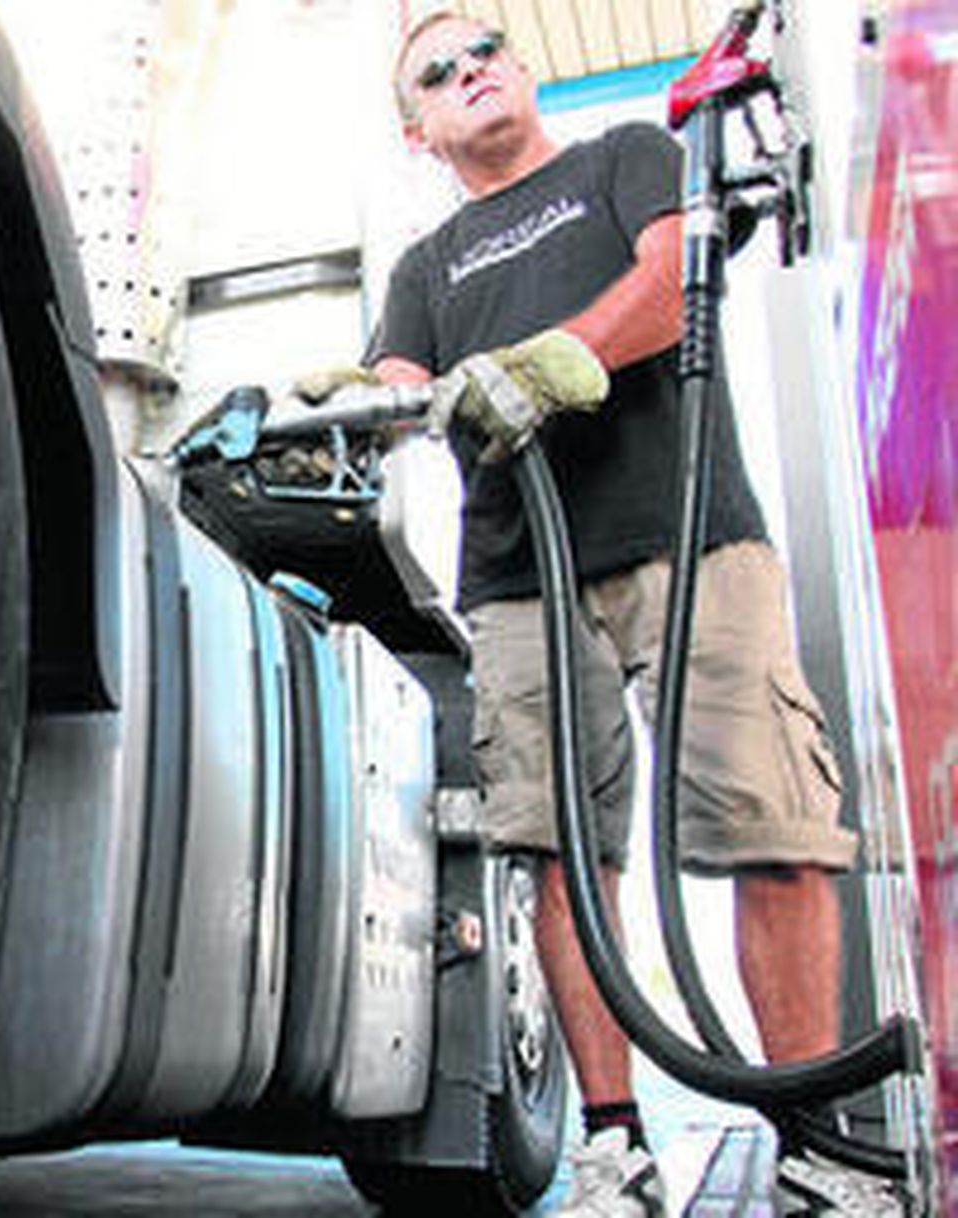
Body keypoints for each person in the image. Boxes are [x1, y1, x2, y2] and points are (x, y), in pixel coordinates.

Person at [366, 13, 903, 1216]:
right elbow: (394, 394)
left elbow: (672, 288)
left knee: (768, 824)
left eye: (487, 47)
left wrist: (549, 358)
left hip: (691, 533)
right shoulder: (424, 268)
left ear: (525, 65)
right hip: (517, 582)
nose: (471, 73)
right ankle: (614, 1143)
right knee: (557, 857)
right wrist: (352, 402)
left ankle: (807, 1135)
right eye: (438, 74)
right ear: (418, 129)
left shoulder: (619, 159)